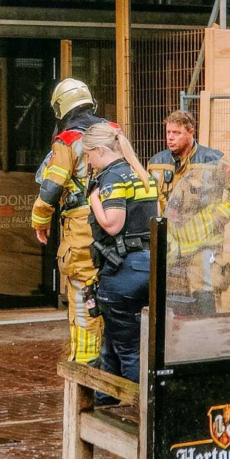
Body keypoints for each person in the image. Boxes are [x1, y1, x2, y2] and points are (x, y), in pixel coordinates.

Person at [32, 78, 109, 365]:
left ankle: (86, 365)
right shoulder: (113, 132)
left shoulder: (67, 140)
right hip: (115, 225)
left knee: (82, 295)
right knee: (108, 293)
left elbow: (51, 187)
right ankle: (110, 362)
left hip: (81, 229)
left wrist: (39, 219)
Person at [146, 110, 230, 310]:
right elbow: (153, 199)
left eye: (176, 133)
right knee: (174, 304)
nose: (170, 138)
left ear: (191, 132)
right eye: (168, 132)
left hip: (204, 246)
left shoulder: (213, 160)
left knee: (206, 300)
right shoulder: (156, 163)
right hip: (172, 248)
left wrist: (222, 214)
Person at [83, 122, 157, 384]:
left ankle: (135, 411)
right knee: (113, 343)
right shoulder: (139, 172)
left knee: (128, 350)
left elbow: (113, 224)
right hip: (149, 267)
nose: (89, 162)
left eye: (89, 155)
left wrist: (93, 200)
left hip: (123, 272)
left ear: (101, 150)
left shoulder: (113, 177)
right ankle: (106, 402)